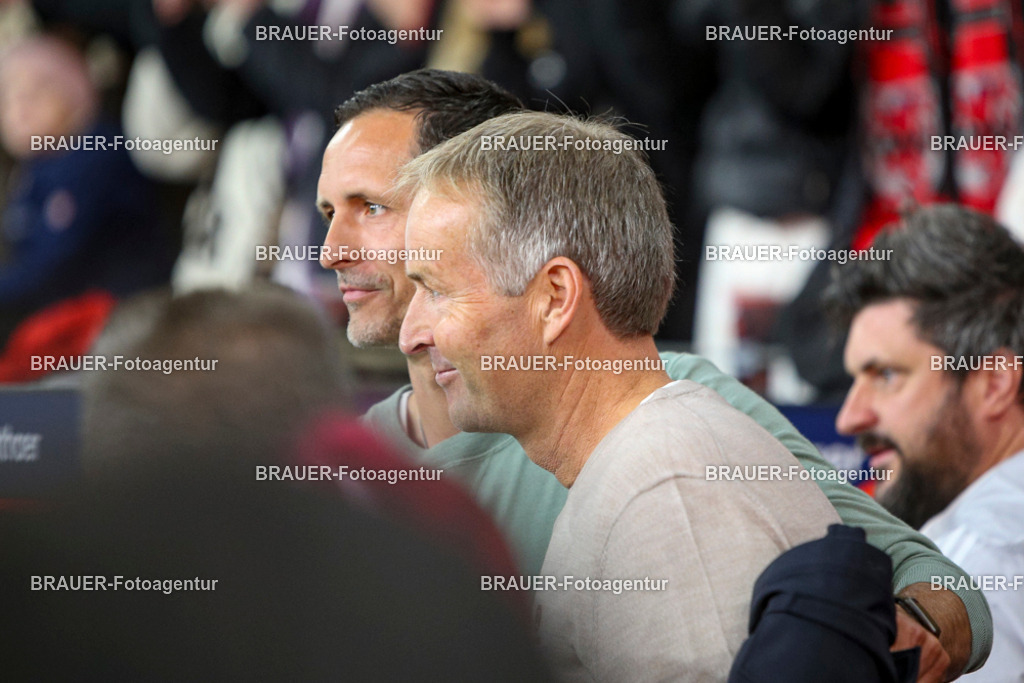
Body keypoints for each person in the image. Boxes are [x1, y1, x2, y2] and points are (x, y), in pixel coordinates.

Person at [317, 69, 990, 679]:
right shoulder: (347, 462)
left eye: (370, 207)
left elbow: (929, 582)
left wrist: (882, 645)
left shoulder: (669, 464)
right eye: (327, 213)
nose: (331, 249)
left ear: (552, 291)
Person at [827, 204, 1024, 681]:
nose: (849, 418)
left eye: (886, 375)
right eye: (855, 379)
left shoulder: (973, 568)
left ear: (994, 383)